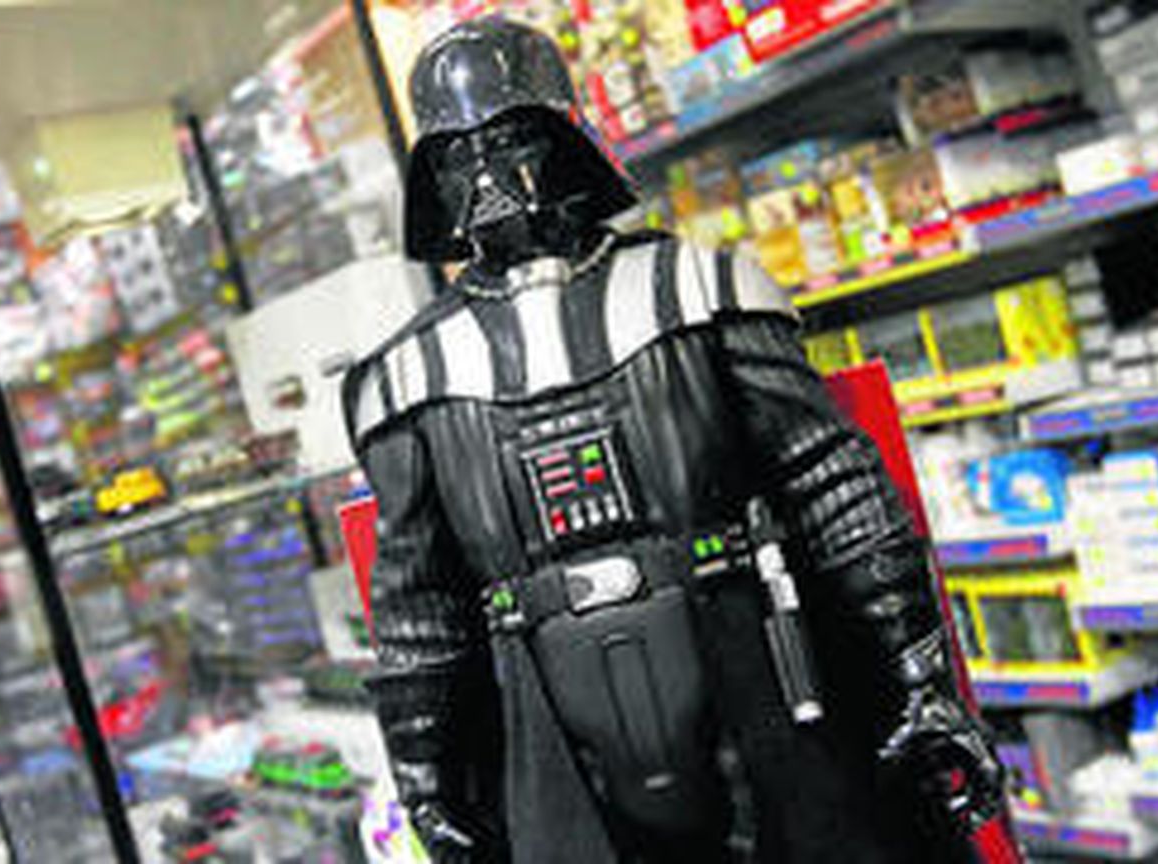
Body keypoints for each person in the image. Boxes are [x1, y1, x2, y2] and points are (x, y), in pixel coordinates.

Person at [342, 16, 1015, 864]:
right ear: (431, 178)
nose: (487, 176)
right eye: (458, 155)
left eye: (510, 140)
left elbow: (835, 489)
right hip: (548, 726)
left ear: (563, 137)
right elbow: (417, 602)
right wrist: (425, 777)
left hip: (752, 674)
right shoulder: (405, 377)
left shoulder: (703, 285)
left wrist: (920, 676)